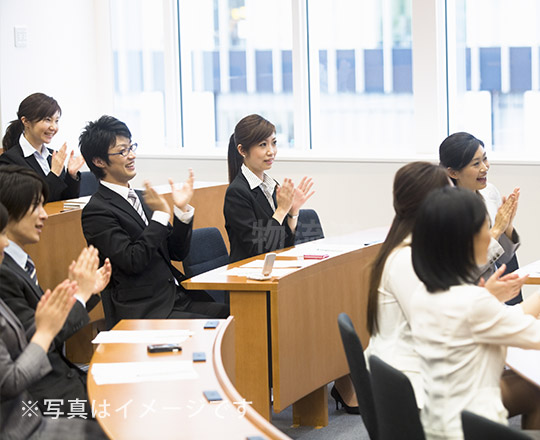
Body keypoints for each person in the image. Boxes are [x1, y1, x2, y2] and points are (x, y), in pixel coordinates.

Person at [365, 162, 525, 409]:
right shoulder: (406, 259)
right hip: (423, 391)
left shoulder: (418, 249)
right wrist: (486, 299)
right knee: (532, 390)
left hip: (426, 376)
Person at [410, 186, 540, 439]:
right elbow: (532, 335)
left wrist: (489, 298)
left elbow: (505, 320)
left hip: (440, 414)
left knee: (532, 391)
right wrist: (486, 300)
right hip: (472, 425)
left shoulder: (426, 291)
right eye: (486, 227)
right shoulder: (473, 302)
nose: (490, 236)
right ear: (468, 239)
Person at [79, 115, 229, 324]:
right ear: (99, 161)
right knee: (223, 326)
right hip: (145, 309)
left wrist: (181, 210)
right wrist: (159, 216)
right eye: (123, 151)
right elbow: (133, 260)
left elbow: (176, 252)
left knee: (236, 314)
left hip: (176, 297)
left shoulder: (143, 196)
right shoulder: (97, 211)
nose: (131, 156)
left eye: (132, 147)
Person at [0, 166, 111, 416]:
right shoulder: (4, 271)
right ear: (7, 211)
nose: (45, 215)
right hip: (38, 399)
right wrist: (80, 296)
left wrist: (87, 292)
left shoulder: (18, 261)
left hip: (60, 381)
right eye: (36, 206)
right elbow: (38, 338)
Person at [224, 114, 314, 263]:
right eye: (262, 145)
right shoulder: (237, 193)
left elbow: (284, 244)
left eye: (274, 143)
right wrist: (281, 211)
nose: (271, 151)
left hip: (274, 270)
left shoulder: (272, 185)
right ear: (242, 150)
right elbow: (259, 249)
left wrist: (292, 212)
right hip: (248, 278)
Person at [439, 132, 520, 290]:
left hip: (492, 293)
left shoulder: (490, 192)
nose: (485, 168)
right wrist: (496, 229)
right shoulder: (446, 211)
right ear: (453, 173)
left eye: (485, 158)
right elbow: (465, 272)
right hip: (464, 297)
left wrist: (507, 226)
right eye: (476, 164)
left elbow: (504, 258)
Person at [0, 92, 85, 202]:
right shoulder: (9, 160)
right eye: (47, 120)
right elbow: (31, 203)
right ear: (25, 121)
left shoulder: (52, 156)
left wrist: (72, 175)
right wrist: (53, 173)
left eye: (56, 121)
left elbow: (65, 200)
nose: (53, 127)